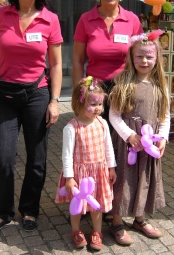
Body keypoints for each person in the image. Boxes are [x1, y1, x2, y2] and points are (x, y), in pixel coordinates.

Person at [0, 0, 62, 233]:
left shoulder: (50, 19)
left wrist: (54, 100)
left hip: (37, 95)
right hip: (5, 94)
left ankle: (29, 209)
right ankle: (3, 211)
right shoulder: (2, 15)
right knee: (4, 157)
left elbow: (55, 64)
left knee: (37, 158)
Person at [108, 30, 170, 246]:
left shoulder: (160, 85)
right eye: (139, 56)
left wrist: (162, 136)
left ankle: (139, 219)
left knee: (144, 180)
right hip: (128, 144)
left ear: (156, 59)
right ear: (131, 58)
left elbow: (165, 115)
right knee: (124, 182)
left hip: (150, 145)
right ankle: (116, 222)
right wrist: (129, 135)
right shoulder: (123, 83)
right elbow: (114, 115)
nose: (144, 60)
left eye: (149, 56)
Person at [72, 0, 143, 125]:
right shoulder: (85, 20)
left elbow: (140, 59)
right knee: (96, 140)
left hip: (124, 90)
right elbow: (77, 61)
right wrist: (79, 95)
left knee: (123, 142)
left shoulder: (132, 20)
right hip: (95, 92)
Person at [55, 76, 117, 251]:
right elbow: (66, 155)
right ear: (79, 103)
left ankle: (97, 233)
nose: (98, 109)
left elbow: (108, 148)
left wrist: (112, 167)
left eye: (100, 104)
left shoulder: (103, 123)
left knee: (97, 205)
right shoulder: (71, 127)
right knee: (77, 205)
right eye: (93, 104)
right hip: (79, 175)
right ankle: (76, 230)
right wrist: (69, 177)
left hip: (99, 172)